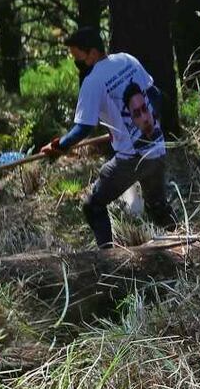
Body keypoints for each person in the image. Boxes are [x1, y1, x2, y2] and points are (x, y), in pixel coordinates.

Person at [40, 26, 176, 248]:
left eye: (78, 57)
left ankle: (107, 260)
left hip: (131, 159)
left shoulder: (93, 81)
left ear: (92, 53)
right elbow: (155, 95)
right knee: (157, 206)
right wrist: (152, 123)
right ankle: (183, 248)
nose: (77, 63)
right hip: (157, 149)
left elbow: (83, 128)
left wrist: (58, 146)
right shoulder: (127, 60)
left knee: (93, 205)